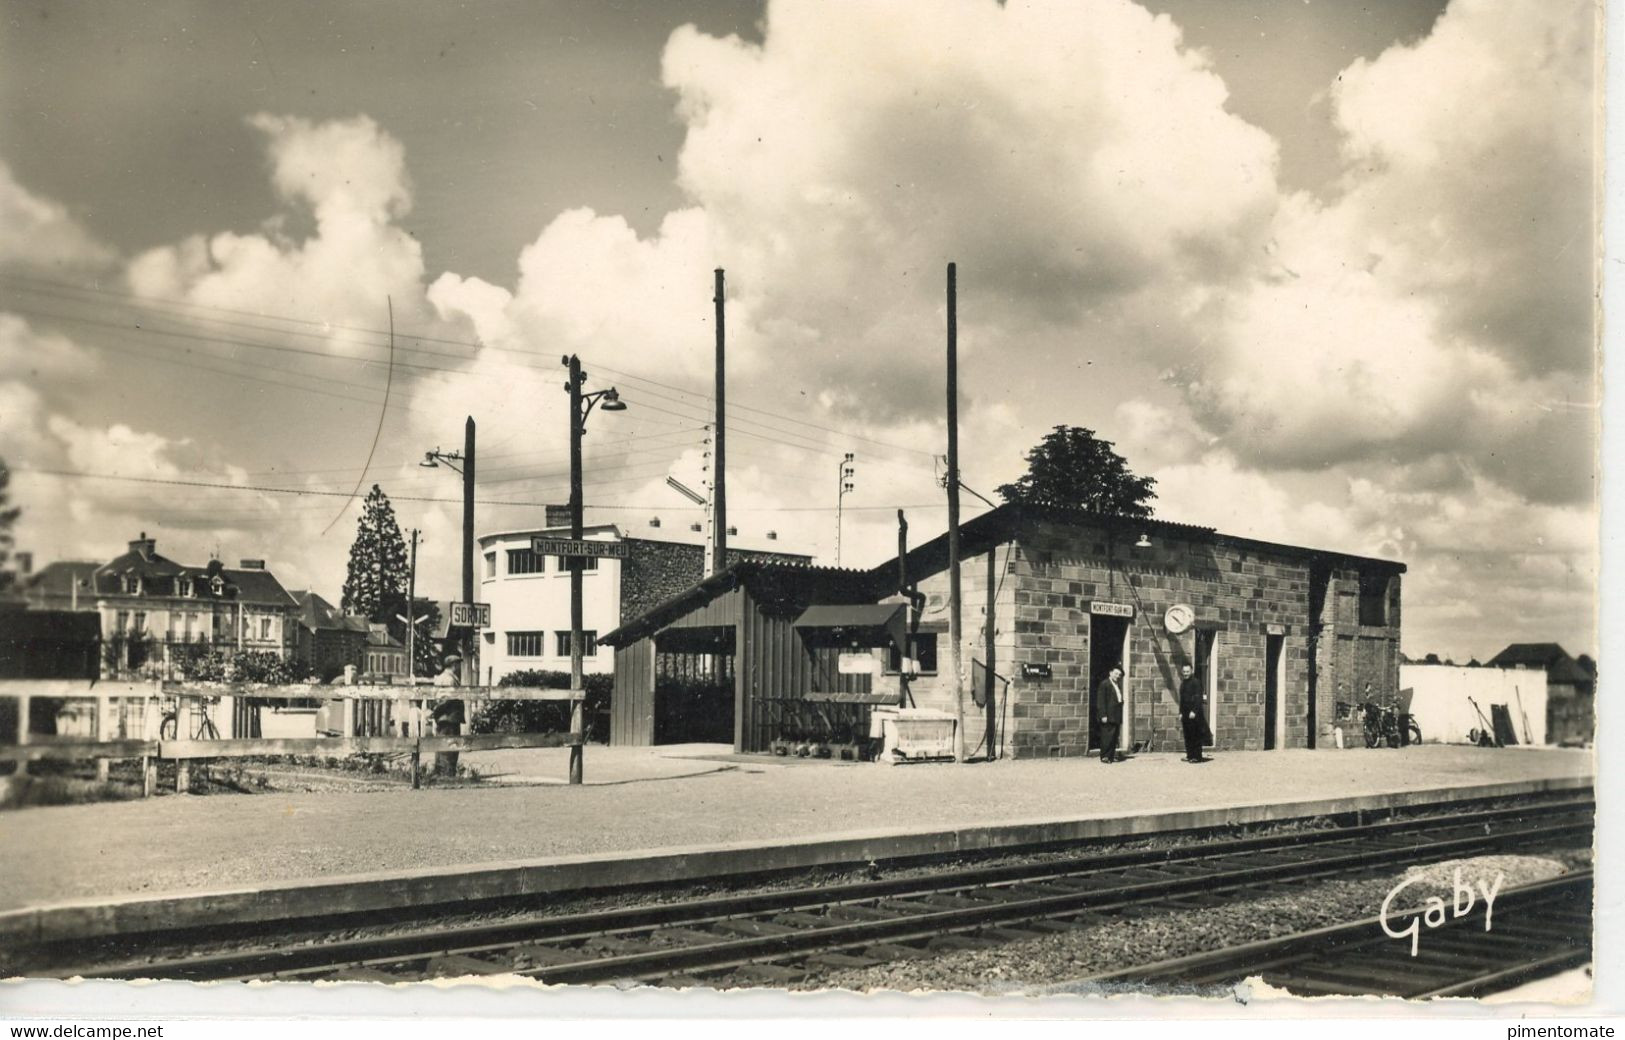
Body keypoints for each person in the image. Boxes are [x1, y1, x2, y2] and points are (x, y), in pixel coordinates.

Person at [1178, 663, 1210, 762]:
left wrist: (1194, 711)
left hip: (1194, 714)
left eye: (1187, 672)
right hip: (1186, 713)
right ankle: (1189, 755)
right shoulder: (1183, 683)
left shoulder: (1196, 682)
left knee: (1195, 735)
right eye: (1184, 672)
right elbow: (1182, 700)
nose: (1186, 674)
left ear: (1191, 671)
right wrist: (1181, 712)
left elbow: (1198, 698)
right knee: (1188, 735)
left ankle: (1197, 756)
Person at [1096, 665, 1125, 763]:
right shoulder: (1105, 684)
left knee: (1113, 736)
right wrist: (1103, 715)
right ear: (1110, 673)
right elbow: (1101, 701)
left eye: (1119, 675)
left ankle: (1110, 756)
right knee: (1107, 736)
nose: (1118, 676)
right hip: (1108, 715)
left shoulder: (1117, 685)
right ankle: (1104, 756)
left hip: (1116, 715)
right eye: (1116, 673)